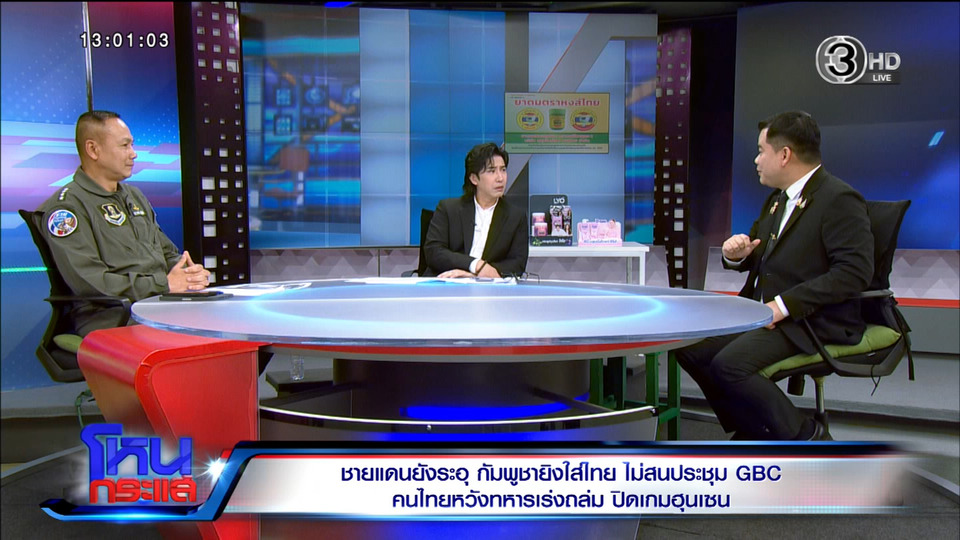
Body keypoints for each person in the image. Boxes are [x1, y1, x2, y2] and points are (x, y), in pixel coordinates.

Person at [676, 111, 874, 440]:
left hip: (811, 318)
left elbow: (854, 273)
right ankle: (755, 428)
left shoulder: (839, 200)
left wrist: (782, 307)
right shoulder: (777, 200)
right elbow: (761, 254)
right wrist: (737, 255)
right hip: (766, 312)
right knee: (689, 346)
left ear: (784, 155)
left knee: (730, 365)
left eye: (761, 151)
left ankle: (807, 435)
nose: (756, 160)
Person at [37, 110, 210, 336]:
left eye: (132, 145)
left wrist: (188, 274)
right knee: (200, 341)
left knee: (226, 326)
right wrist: (164, 285)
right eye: (124, 145)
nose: (134, 154)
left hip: (159, 305)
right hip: (112, 317)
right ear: (93, 149)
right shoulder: (67, 209)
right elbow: (90, 282)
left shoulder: (134, 196)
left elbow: (166, 253)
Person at [423, 142, 528, 278]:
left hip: (488, 287)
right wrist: (475, 265)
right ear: (474, 179)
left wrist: (474, 276)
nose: (500, 178)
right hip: (447, 283)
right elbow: (434, 252)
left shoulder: (516, 217)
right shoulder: (448, 209)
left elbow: (517, 265)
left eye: (503, 170)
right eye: (491, 171)